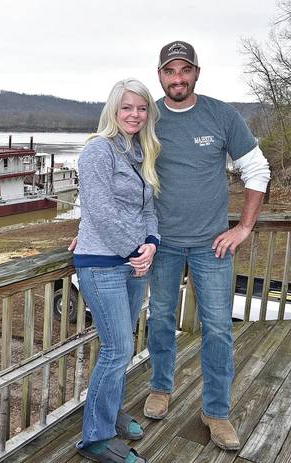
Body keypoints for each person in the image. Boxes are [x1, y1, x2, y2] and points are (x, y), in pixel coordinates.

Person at [143, 41, 271, 451]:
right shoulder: (147, 118)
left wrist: (244, 227)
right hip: (161, 243)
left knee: (218, 329)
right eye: (169, 71)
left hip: (211, 246)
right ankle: (161, 388)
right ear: (159, 74)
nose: (177, 78)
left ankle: (216, 412)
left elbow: (257, 168)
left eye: (184, 70)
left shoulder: (221, 115)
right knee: (160, 317)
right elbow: (117, 172)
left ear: (197, 72)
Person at [72, 78, 161, 463]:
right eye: (127, 108)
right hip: (103, 264)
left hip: (133, 264)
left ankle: (109, 413)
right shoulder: (98, 151)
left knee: (122, 347)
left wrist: (152, 242)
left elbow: (148, 208)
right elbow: (100, 210)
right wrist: (133, 250)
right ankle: (95, 438)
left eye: (141, 109)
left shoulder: (141, 153)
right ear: (113, 110)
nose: (135, 115)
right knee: (118, 347)